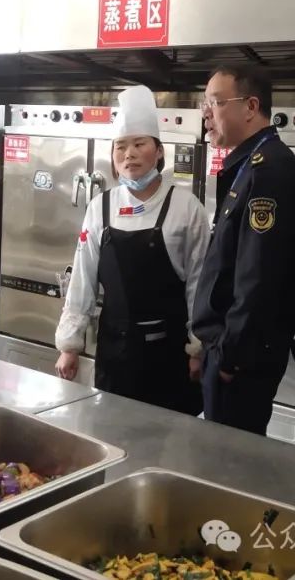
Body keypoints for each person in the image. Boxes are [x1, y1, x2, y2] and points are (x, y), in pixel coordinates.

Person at [55, 85, 209, 415]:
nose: (129, 154)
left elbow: (200, 285)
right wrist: (69, 344)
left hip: (170, 355)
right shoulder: (100, 207)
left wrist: (198, 348)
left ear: (159, 151)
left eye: (140, 144)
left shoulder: (186, 207)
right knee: (112, 431)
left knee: (172, 436)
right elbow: (82, 278)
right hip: (115, 352)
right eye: (121, 146)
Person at [192, 64, 295, 435]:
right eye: (205, 104)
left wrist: (231, 356)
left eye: (215, 102)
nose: (206, 114)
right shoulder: (250, 163)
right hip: (229, 350)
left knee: (228, 458)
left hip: (239, 359)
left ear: (250, 107)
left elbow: (259, 275)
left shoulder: (268, 169)